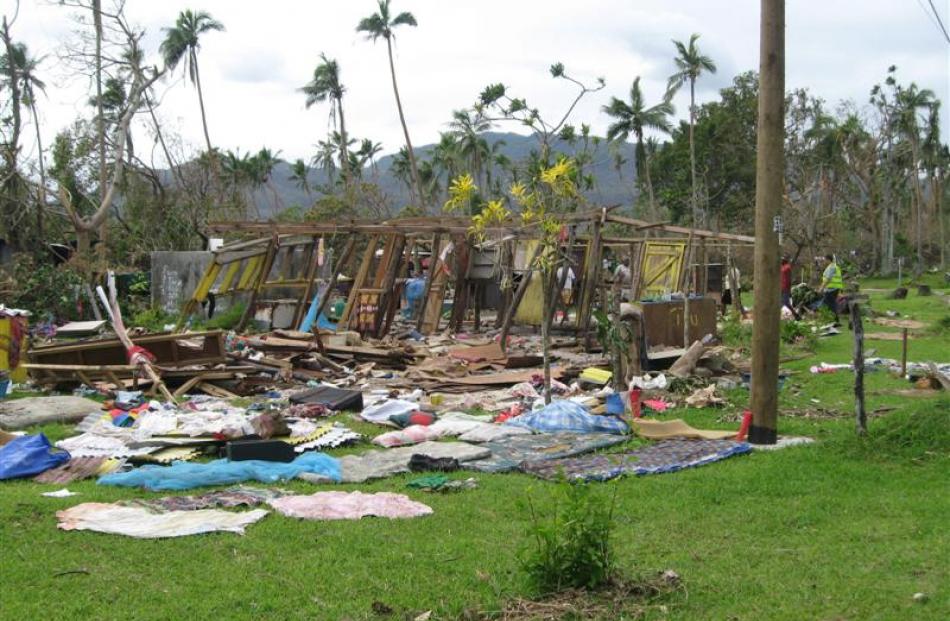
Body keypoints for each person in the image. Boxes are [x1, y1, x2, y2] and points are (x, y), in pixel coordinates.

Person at [818, 253, 843, 325]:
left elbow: (828, 279)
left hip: (831, 289)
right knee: (826, 305)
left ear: (828, 259)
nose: (824, 261)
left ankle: (835, 321)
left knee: (830, 305)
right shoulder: (834, 266)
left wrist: (821, 288)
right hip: (834, 288)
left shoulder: (831, 267)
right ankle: (830, 319)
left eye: (824, 259)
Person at [780, 255, 799, 320]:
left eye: (782, 259)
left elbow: (788, 279)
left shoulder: (787, 267)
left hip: (785, 288)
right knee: (781, 302)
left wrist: (788, 289)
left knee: (785, 302)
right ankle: (796, 315)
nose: (781, 260)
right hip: (781, 287)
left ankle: (796, 315)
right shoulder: (782, 267)